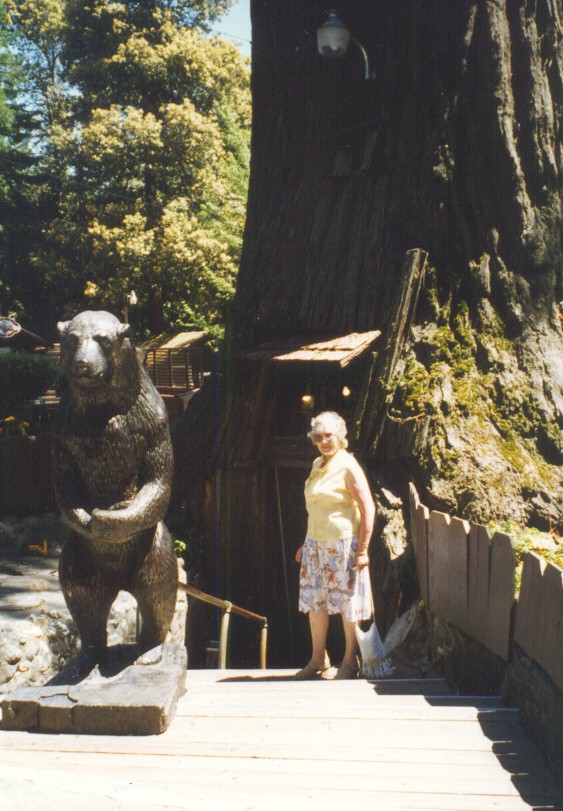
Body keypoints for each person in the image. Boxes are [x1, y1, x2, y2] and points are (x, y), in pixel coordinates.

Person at [294, 411, 375, 680]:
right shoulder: (317, 464)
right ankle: (319, 659)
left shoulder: (348, 465)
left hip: (343, 544)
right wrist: (306, 543)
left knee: (347, 603)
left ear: (340, 436)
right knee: (315, 602)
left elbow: (368, 508)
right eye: (318, 437)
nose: (324, 441)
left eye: (328, 435)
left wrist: (362, 550)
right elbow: (315, 508)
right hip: (315, 545)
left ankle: (350, 661)